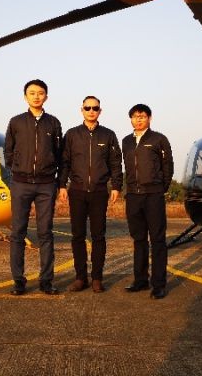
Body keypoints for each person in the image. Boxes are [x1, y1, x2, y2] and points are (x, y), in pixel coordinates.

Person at [58, 96, 123, 293]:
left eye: (95, 108)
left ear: (100, 111)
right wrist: (62, 185)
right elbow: (65, 162)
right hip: (77, 191)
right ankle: (80, 278)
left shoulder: (108, 135)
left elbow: (115, 163)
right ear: (82, 110)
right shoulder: (72, 134)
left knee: (98, 236)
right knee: (77, 235)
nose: (91, 111)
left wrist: (116, 186)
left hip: (99, 192)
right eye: (88, 108)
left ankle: (96, 278)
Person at [5, 79, 62, 296]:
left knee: (45, 232)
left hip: (46, 185)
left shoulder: (53, 123)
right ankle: (18, 281)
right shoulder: (16, 122)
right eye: (32, 93)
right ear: (25, 96)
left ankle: (46, 280)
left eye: (40, 93)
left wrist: (55, 177)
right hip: (21, 184)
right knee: (18, 233)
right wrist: (18, 169)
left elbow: (59, 153)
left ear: (46, 96)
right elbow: (8, 151)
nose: (36, 96)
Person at [122, 103, 173, 299]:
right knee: (139, 239)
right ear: (131, 119)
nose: (139, 119)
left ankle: (159, 284)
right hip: (133, 196)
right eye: (135, 116)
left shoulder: (159, 139)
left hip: (153, 195)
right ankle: (140, 280)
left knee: (157, 240)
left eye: (142, 116)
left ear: (149, 118)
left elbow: (168, 166)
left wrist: (160, 188)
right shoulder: (126, 141)